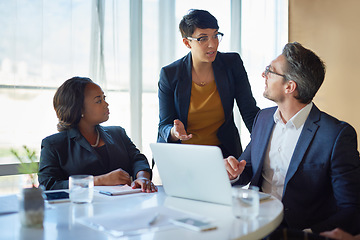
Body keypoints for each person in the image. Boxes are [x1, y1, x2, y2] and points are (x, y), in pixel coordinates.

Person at [224, 42, 360, 234]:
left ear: (289, 86)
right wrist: (233, 172)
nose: (264, 75)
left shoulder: (336, 135)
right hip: (254, 225)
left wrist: (309, 233)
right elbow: (247, 168)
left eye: (270, 71)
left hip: (299, 231)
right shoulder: (262, 118)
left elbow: (351, 208)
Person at [157, 9, 259, 158]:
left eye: (215, 35)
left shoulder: (232, 64)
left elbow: (249, 112)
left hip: (223, 154)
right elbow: (164, 125)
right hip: (182, 154)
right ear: (187, 42)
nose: (212, 44)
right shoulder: (170, 74)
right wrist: (174, 132)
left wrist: (267, 144)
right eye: (203, 38)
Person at [38, 77, 157, 193]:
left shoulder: (118, 133)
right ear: (79, 110)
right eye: (98, 100)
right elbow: (48, 185)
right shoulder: (53, 144)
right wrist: (100, 180)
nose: (106, 104)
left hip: (125, 205)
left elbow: (138, 160)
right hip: (82, 209)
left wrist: (142, 177)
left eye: (104, 98)